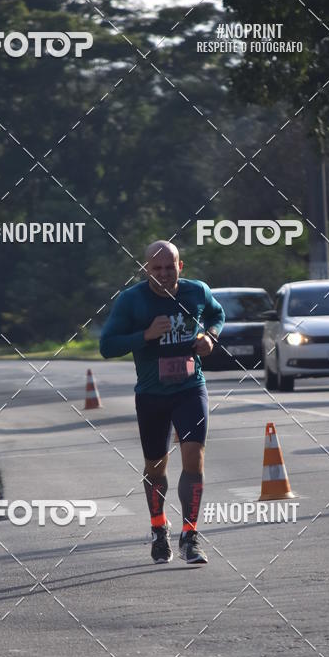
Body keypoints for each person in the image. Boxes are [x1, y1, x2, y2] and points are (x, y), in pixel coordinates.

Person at [100, 241, 225, 564]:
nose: (164, 274)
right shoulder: (131, 301)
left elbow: (217, 314)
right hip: (152, 395)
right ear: (145, 270)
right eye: (157, 269)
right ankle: (159, 529)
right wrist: (144, 336)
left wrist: (210, 337)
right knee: (155, 469)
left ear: (180, 267)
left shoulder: (196, 292)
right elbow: (106, 346)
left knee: (193, 459)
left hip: (190, 388)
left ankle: (191, 535)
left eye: (170, 267)